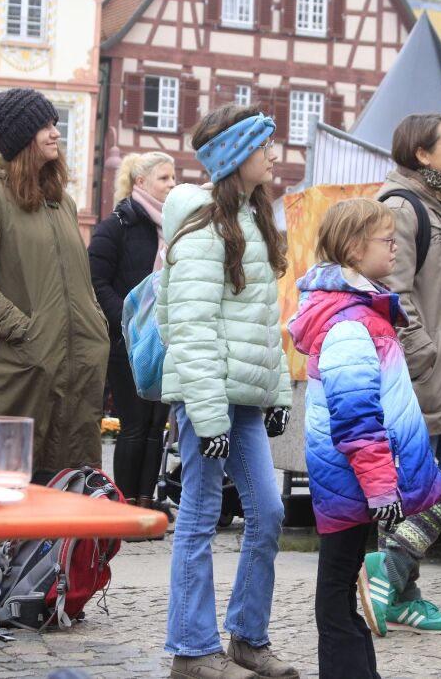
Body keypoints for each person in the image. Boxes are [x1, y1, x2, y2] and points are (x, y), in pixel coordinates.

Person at [0, 85, 109, 627]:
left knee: (54, 473)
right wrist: (24, 330)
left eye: (54, 123)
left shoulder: (61, 201)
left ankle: (33, 580)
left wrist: (95, 326)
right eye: (44, 125)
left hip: (70, 365)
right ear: (20, 137)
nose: (55, 132)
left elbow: (76, 283)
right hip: (12, 366)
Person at [159, 104, 296, 679]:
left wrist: (279, 393)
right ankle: (191, 650)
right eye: (263, 145)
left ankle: (246, 636)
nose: (273, 154)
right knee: (199, 515)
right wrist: (209, 418)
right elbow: (192, 328)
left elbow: (265, 323)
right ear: (235, 155)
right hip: (206, 398)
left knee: (267, 511)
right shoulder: (202, 225)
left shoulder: (253, 218)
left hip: (240, 397)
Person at [288, 199, 441, 679]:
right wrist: (382, 487)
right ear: (355, 249)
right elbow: (356, 417)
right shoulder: (349, 322)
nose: (397, 246)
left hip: (357, 477)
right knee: (338, 590)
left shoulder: (363, 310)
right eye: (388, 239)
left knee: (342, 583)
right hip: (353, 478)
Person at [361, 113, 441, 635]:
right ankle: (388, 574)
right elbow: (392, 292)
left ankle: (395, 587)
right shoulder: (402, 206)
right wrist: (424, 354)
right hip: (422, 374)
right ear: (422, 154)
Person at [88, 151, 176, 509]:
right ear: (140, 182)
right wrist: (127, 322)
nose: (172, 185)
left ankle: (145, 503)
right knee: (136, 424)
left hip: (165, 340)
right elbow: (94, 281)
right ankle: (122, 508)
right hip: (126, 342)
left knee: (157, 427)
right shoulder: (117, 226)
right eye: (164, 178)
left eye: (173, 178)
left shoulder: (173, 227)